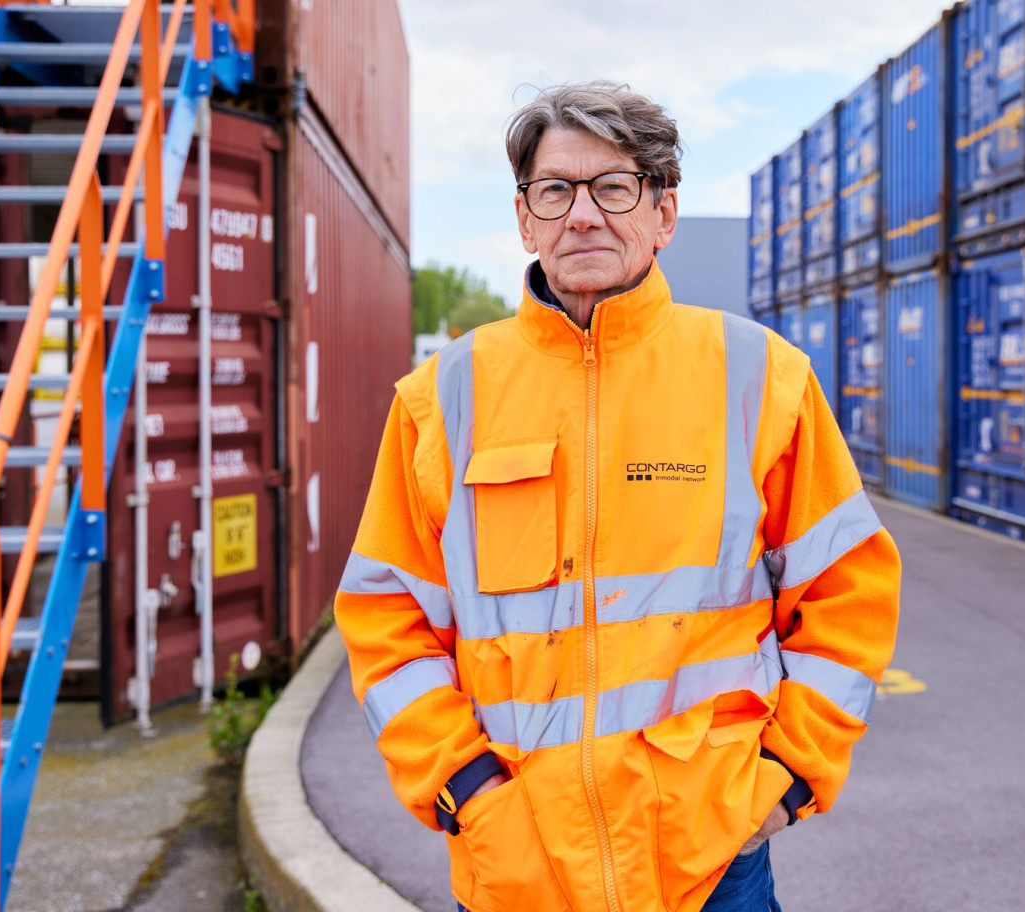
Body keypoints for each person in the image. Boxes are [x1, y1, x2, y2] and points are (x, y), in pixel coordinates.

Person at [335, 81, 901, 912]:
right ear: (526, 218)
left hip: (709, 861)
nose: (584, 215)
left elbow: (849, 594)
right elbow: (386, 615)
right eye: (556, 190)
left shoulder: (760, 377)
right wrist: (466, 786)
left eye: (614, 186)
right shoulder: (440, 398)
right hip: (517, 856)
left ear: (663, 213)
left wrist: (784, 778)